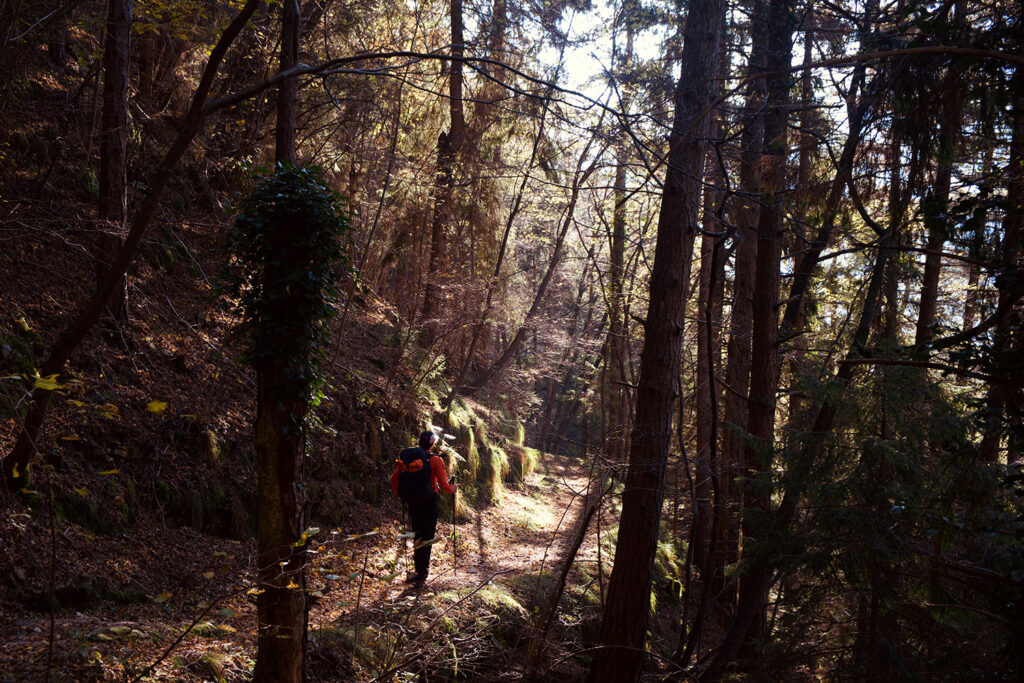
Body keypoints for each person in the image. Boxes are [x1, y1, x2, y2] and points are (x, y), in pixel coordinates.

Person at [391, 430, 457, 585]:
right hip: (429, 503)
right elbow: (444, 485)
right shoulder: (436, 460)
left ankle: (418, 571)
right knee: (427, 537)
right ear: (432, 444)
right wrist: (452, 489)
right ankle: (422, 573)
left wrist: (404, 495)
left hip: (413, 503)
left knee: (418, 535)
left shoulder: (409, 460)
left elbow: (394, 480)